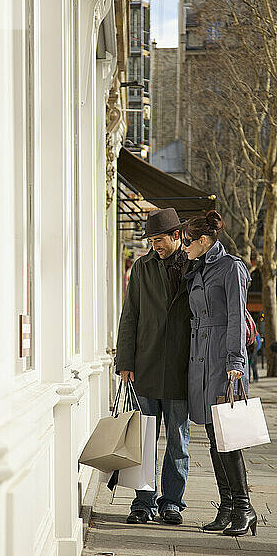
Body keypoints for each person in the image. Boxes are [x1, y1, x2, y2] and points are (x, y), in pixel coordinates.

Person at [181, 210, 257, 537]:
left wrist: (235, 363)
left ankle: (245, 507)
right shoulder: (198, 268)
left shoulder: (231, 268)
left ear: (204, 240)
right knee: (214, 438)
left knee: (228, 436)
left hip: (223, 362)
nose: (183, 247)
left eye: (187, 242)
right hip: (201, 357)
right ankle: (226, 506)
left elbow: (237, 319)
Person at [115, 208, 192, 525]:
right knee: (144, 439)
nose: (155, 246)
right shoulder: (142, 268)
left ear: (176, 236)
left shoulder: (194, 267)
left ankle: (172, 502)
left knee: (178, 441)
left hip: (180, 370)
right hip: (144, 367)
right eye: (152, 240)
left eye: (159, 240)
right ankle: (143, 503)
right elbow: (129, 315)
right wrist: (124, 361)